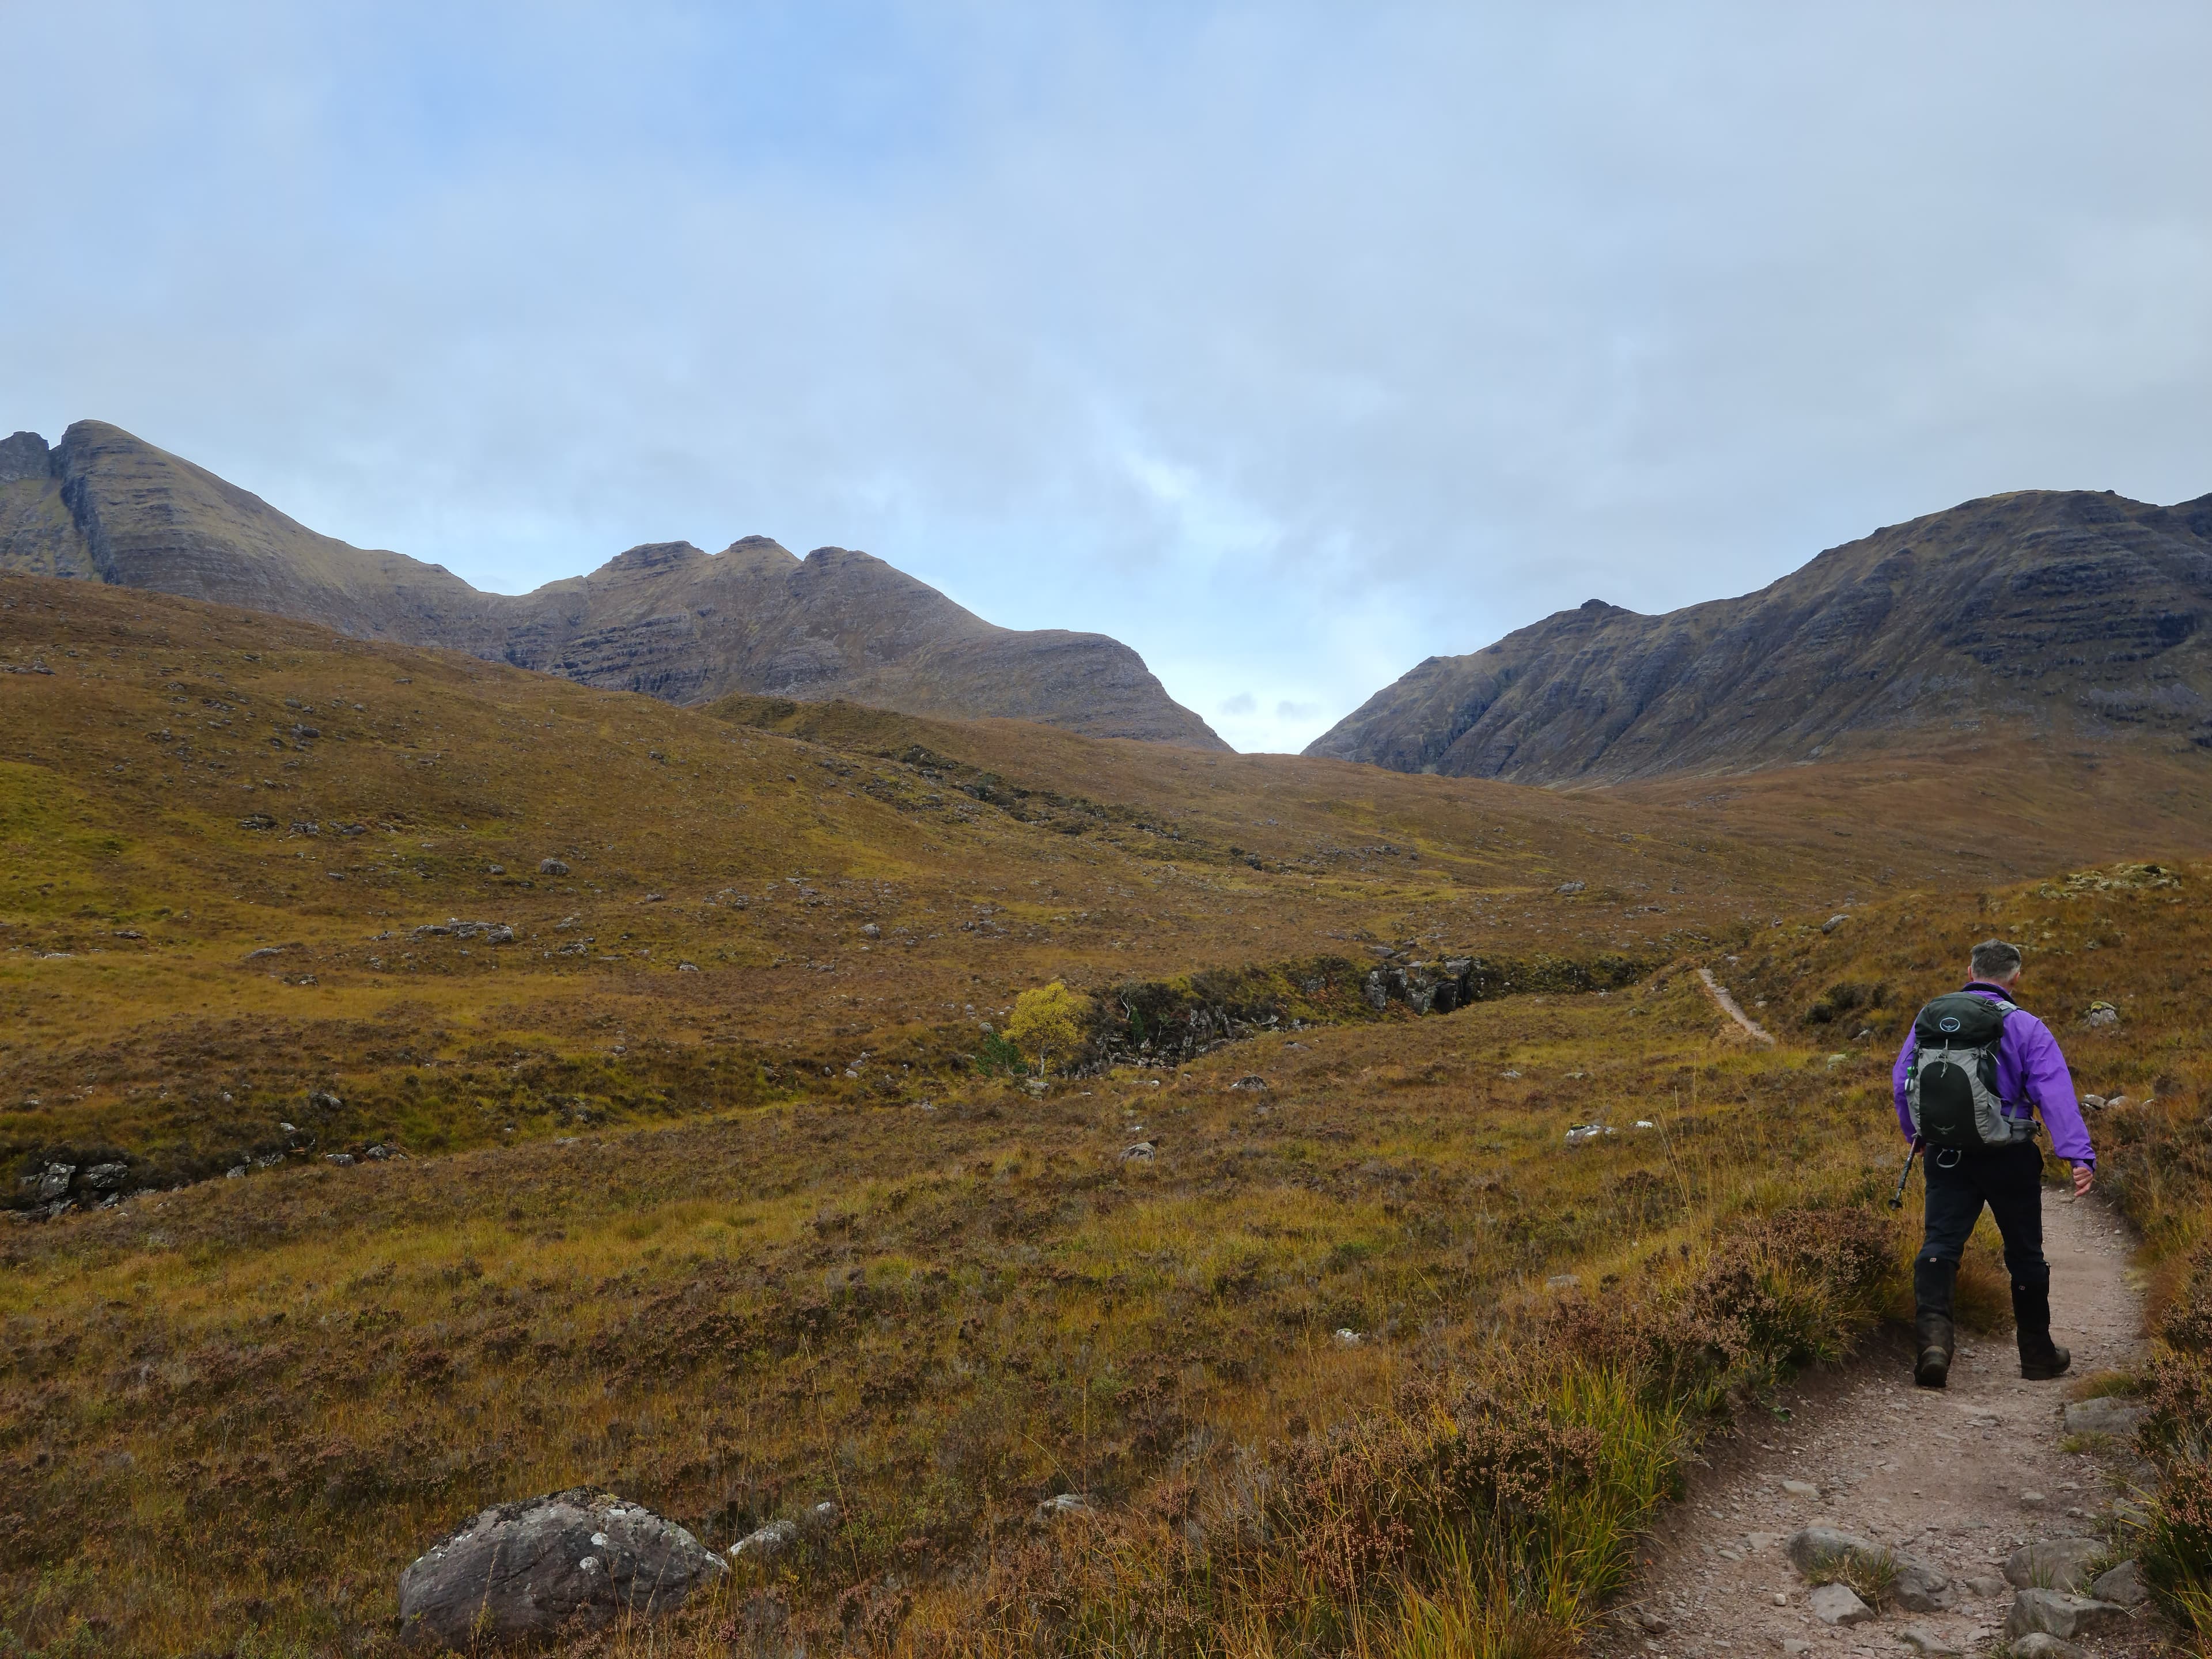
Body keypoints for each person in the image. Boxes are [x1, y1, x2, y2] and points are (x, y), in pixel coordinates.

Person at [1892, 938, 2095, 1389]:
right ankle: (2037, 1355)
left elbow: (1902, 1078)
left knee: (1940, 1244)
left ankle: (1934, 1345)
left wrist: (1917, 1135)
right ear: (2015, 977)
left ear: (1970, 971)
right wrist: (2077, 1155)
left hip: (1947, 1153)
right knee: (2024, 1253)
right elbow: (2055, 1094)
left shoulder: (1932, 1018)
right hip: (2011, 1155)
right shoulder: (2027, 1027)